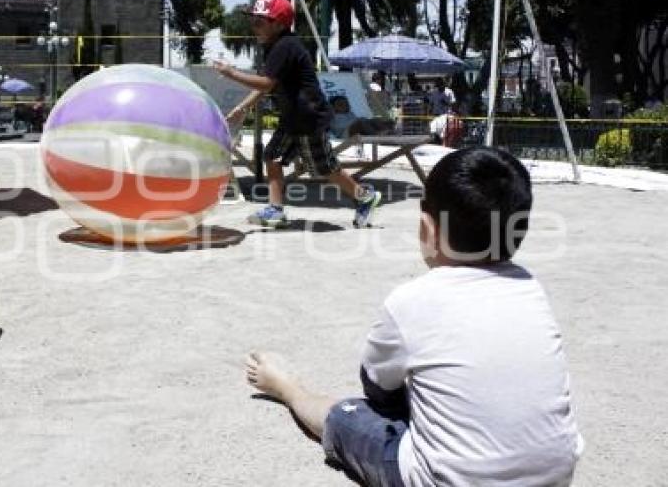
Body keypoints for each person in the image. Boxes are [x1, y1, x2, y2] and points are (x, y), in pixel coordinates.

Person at [246, 146, 584, 487]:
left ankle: (287, 388)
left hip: (443, 480)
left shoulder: (412, 300)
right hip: (554, 476)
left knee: (348, 416)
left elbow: (378, 387)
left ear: (427, 228)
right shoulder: (531, 289)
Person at [213, 0, 382, 228]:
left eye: (260, 22)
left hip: (308, 117)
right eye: (253, 21)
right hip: (293, 117)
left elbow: (266, 84)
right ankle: (276, 210)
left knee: (324, 168)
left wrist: (231, 73)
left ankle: (365, 196)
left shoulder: (285, 46)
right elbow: (267, 82)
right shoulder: (277, 47)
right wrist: (244, 107)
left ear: (279, 24)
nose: (254, 27)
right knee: (272, 156)